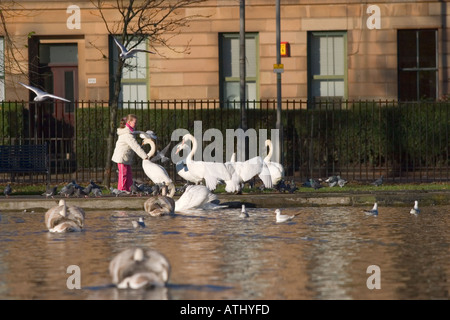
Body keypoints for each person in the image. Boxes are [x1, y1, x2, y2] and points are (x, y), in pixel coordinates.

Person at [112, 114, 149, 192]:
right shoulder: (127, 135)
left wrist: (142, 132)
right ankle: (121, 190)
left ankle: (129, 189)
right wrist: (145, 156)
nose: (136, 124)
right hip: (122, 157)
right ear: (129, 122)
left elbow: (134, 132)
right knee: (123, 174)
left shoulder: (129, 131)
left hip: (125, 158)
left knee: (129, 174)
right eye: (134, 122)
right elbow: (135, 146)